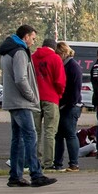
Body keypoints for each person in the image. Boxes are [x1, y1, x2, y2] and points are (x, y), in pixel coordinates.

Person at [0, 26, 53, 188]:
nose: (33, 41)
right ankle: (36, 174)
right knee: (31, 136)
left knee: (18, 139)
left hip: (12, 100)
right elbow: (21, 79)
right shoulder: (20, 52)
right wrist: (33, 97)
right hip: (21, 102)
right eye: (33, 38)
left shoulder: (7, 51)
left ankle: (15, 175)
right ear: (26, 37)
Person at [33, 39, 65, 174]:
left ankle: (34, 161)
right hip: (51, 97)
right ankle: (48, 162)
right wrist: (59, 94)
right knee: (50, 131)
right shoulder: (55, 58)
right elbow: (60, 81)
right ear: (54, 47)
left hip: (34, 98)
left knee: (35, 131)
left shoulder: (32, 57)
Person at [52, 43, 84, 172]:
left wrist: (68, 104)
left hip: (71, 106)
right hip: (64, 105)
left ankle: (74, 163)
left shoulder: (73, 67)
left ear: (63, 53)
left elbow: (76, 89)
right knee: (59, 135)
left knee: (70, 134)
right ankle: (58, 163)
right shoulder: (66, 66)